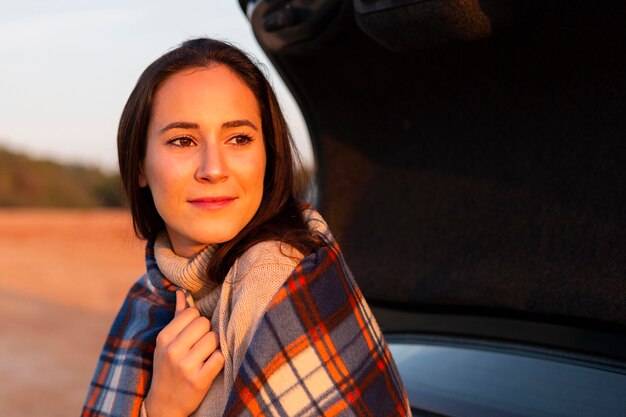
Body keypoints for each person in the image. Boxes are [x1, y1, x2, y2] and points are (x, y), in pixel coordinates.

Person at [82, 38, 410, 417]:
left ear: (268, 155)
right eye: (183, 140)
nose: (214, 169)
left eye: (239, 138)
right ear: (139, 164)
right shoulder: (151, 294)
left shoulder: (269, 279)